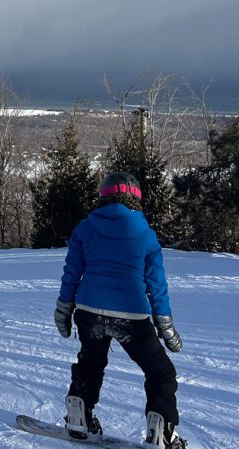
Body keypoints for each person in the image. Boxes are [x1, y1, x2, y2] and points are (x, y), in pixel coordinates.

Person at [55, 172, 186, 449]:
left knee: (90, 363)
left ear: (102, 196)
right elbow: (156, 284)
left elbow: (71, 273)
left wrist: (64, 307)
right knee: (160, 372)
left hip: (89, 311)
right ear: (135, 198)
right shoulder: (146, 233)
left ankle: (78, 419)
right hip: (131, 314)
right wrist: (164, 323)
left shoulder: (85, 228)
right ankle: (161, 433)